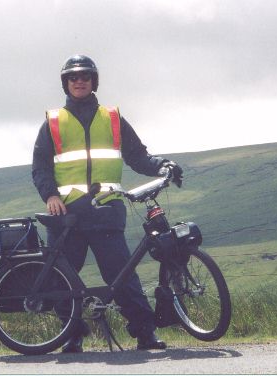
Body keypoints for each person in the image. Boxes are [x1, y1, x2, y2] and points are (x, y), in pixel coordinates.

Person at [32, 54, 183, 353]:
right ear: (66, 82)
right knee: (63, 278)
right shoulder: (52, 122)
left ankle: (145, 334)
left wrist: (163, 164)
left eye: (85, 76)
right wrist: (50, 195)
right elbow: (40, 167)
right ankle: (71, 335)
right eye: (73, 77)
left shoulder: (112, 117)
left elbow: (138, 156)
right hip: (67, 212)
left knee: (122, 275)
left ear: (93, 81)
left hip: (105, 210)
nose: (79, 81)